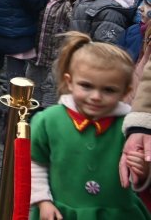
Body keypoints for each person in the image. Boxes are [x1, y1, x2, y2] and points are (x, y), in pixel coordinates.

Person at [30, 32, 151, 220]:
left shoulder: (129, 128)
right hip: (62, 212)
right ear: (69, 82)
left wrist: (142, 172)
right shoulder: (48, 121)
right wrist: (43, 201)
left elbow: (136, 178)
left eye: (108, 90)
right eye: (86, 86)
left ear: (125, 91)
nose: (96, 96)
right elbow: (36, 163)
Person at [29, 0, 77, 108]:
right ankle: (31, 113)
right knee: (32, 86)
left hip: (55, 57)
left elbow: (72, 20)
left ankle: (47, 117)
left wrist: (74, 1)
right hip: (36, 54)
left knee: (51, 89)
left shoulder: (67, 4)